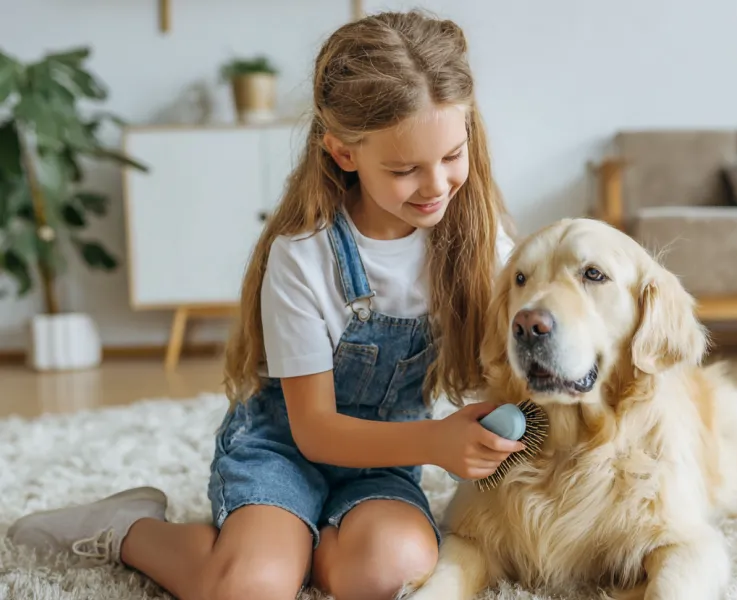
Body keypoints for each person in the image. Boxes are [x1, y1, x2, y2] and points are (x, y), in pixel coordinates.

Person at [6, 9, 524, 600]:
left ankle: (290, 546)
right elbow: (316, 431)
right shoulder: (303, 256)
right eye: (405, 169)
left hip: (384, 460)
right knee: (250, 589)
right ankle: (130, 530)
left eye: (452, 155)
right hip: (285, 447)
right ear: (343, 152)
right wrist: (434, 442)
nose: (436, 186)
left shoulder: (487, 246)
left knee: (389, 569)